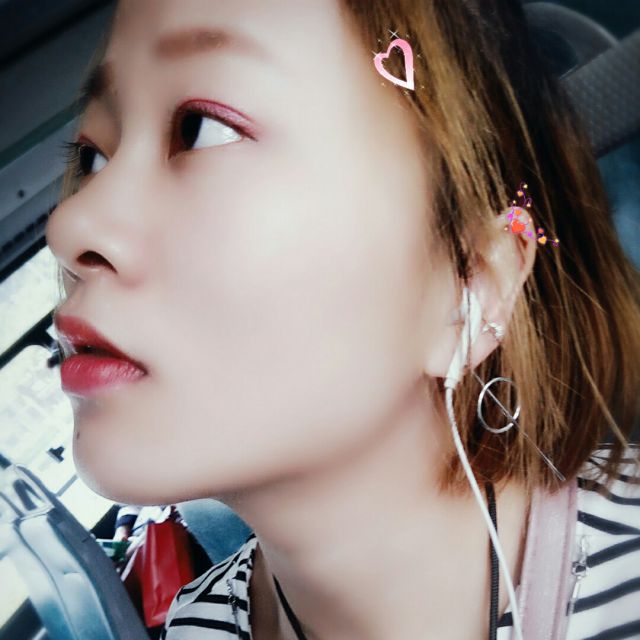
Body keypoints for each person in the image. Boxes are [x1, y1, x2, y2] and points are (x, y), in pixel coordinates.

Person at [45, 0, 640, 638]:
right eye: (91, 158)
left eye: (203, 129)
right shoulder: (194, 626)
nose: (70, 223)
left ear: (470, 283)